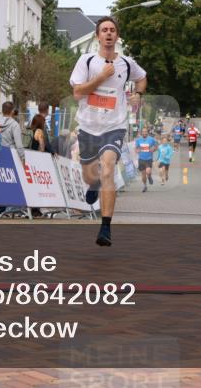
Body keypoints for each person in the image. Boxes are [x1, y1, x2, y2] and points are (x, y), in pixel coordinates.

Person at [70, 16, 147, 247]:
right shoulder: (86, 60)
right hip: (88, 126)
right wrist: (102, 77)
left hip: (114, 126)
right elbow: (77, 93)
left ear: (117, 35)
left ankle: (105, 226)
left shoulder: (126, 63)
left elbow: (142, 78)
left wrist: (139, 94)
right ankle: (92, 185)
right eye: (104, 30)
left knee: (108, 168)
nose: (108, 33)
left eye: (112, 30)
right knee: (89, 175)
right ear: (98, 36)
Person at [134, 126, 157, 192]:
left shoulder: (151, 139)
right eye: (143, 132)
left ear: (147, 132)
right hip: (141, 159)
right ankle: (145, 186)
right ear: (141, 133)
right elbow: (136, 148)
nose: (144, 133)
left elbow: (156, 146)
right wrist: (137, 150)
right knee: (143, 175)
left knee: (148, 171)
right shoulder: (138, 140)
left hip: (149, 158)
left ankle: (149, 176)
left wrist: (154, 149)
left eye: (146, 132)